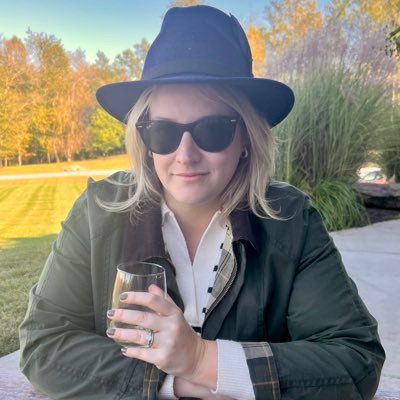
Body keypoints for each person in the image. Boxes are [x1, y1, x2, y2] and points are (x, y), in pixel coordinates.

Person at [19, 5, 384, 400]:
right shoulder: (97, 212)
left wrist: (199, 360)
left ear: (246, 138)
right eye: (163, 132)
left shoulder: (290, 219)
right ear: (143, 140)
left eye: (213, 129)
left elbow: (354, 359)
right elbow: (43, 345)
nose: (185, 154)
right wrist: (173, 382)